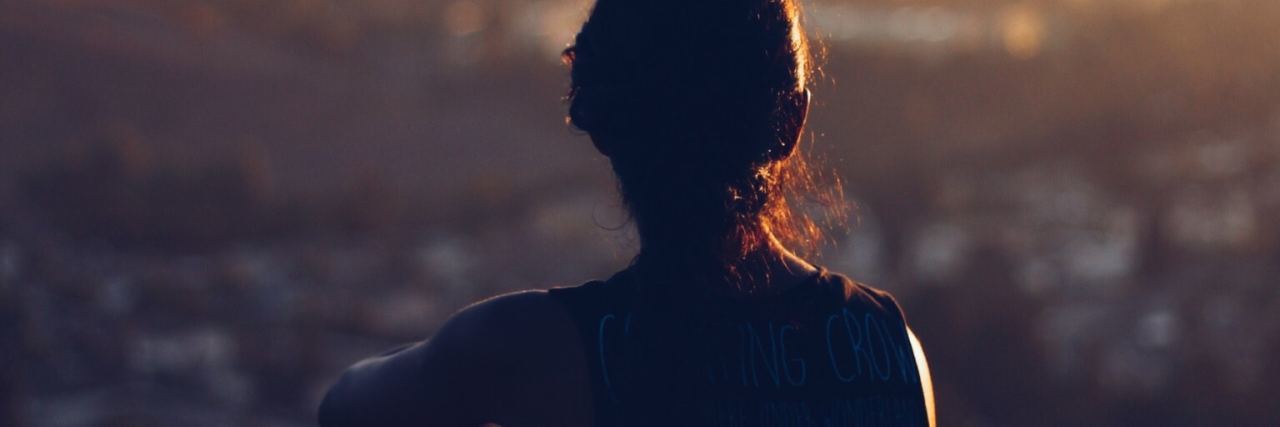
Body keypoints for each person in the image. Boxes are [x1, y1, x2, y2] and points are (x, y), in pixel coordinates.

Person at [318, 0, 935, 425]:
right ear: (791, 124)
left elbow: (344, 406)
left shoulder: (526, 351)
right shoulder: (890, 351)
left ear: (605, 126)